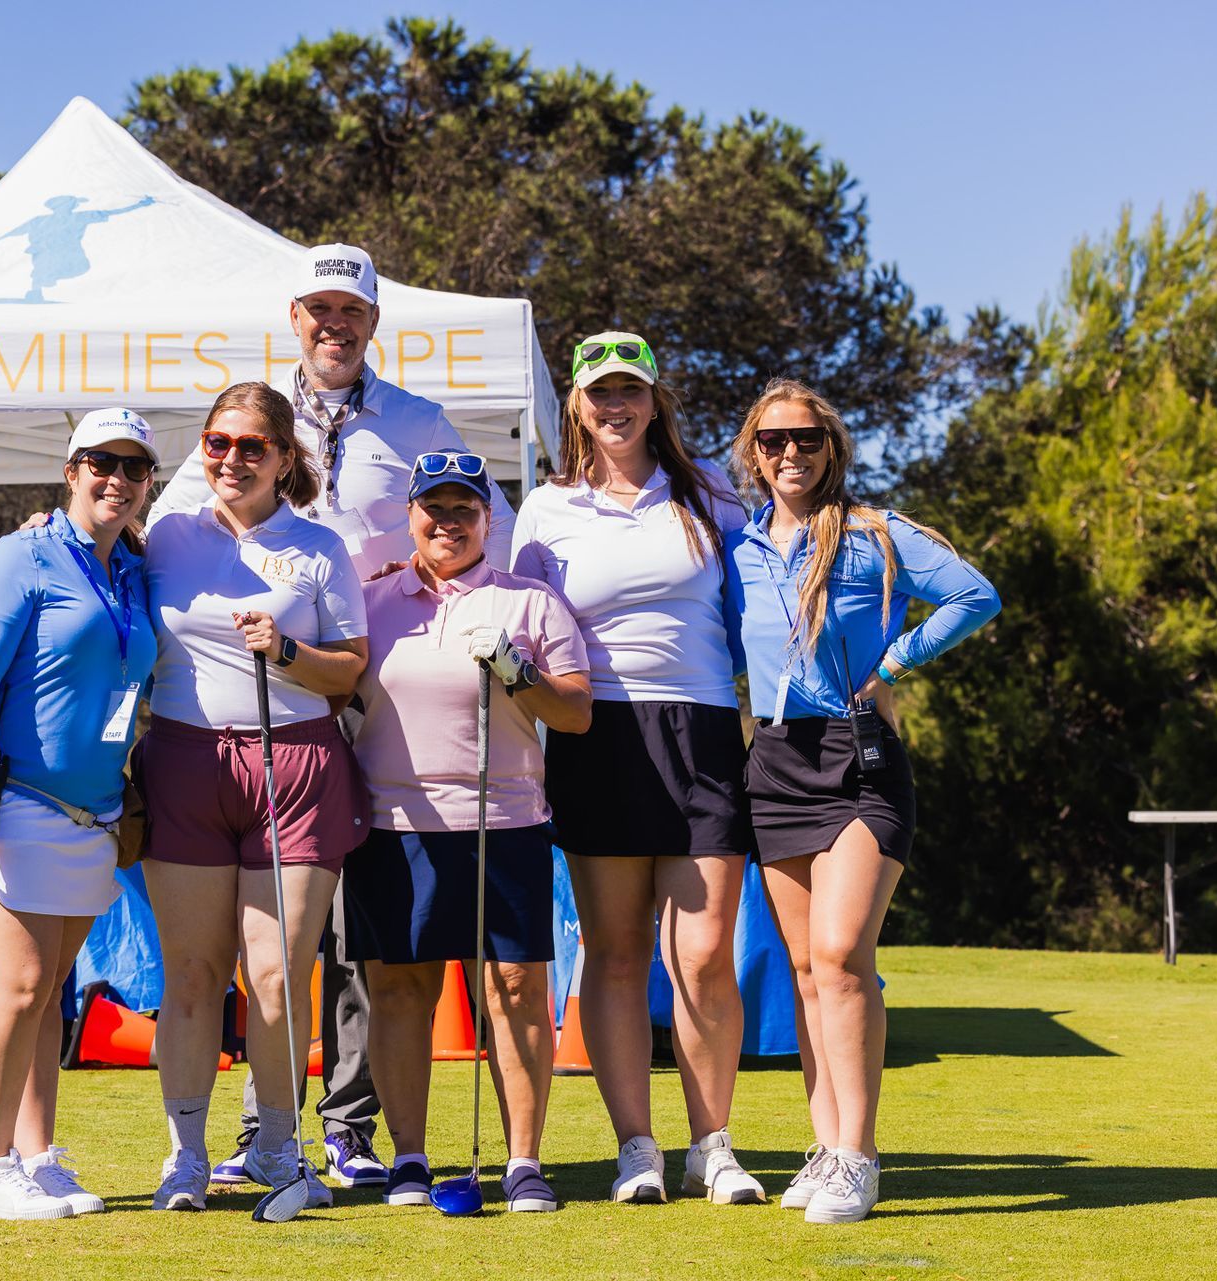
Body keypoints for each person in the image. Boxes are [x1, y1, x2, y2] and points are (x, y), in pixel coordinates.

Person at [146, 243, 516, 1189]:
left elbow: (497, 541)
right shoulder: (248, 426)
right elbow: (154, 535)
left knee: (351, 933)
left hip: (378, 687)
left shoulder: (419, 422)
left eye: (349, 311)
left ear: (374, 323)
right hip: (244, 710)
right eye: (318, 309)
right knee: (264, 954)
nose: (333, 325)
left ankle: (343, 1126)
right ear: (296, 319)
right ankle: (258, 1128)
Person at [722, 377, 1000, 1224]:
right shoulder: (738, 548)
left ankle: (860, 1153)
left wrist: (895, 664)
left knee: (843, 956)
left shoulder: (876, 534)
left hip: (858, 756)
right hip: (771, 761)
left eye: (805, 438)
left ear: (831, 446)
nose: (790, 453)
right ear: (753, 453)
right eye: (772, 441)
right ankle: (825, 1141)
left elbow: (975, 594)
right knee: (807, 971)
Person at [510, 331, 764, 1206]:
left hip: (701, 733)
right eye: (598, 392)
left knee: (700, 955)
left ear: (656, 401)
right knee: (615, 954)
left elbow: (766, 604)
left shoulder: (711, 497)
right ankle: (636, 1146)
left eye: (630, 390)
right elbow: (520, 622)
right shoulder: (545, 509)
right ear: (576, 405)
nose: (614, 405)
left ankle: (713, 1144)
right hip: (596, 737)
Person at [138, 381, 371, 1212]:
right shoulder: (166, 533)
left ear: (284, 458)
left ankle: (278, 1146)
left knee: (275, 975)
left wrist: (290, 650)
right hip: (184, 764)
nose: (231, 458)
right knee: (194, 975)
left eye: (251, 446)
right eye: (216, 442)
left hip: (295, 768)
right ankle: (187, 1157)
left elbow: (349, 672)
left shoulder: (318, 546)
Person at [344, 453, 592, 1212]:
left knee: (514, 988)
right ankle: (411, 1159)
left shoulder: (532, 602)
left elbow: (576, 713)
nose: (447, 523)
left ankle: (523, 1161)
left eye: (463, 509)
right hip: (393, 822)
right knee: (398, 987)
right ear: (411, 514)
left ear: (488, 518)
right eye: (433, 508)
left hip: (504, 818)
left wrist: (518, 671)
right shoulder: (372, 598)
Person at [0, 408, 162, 1220]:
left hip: (95, 811)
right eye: (100, 462)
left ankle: (38, 1158)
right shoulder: (19, 556)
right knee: (22, 981)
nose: (116, 478)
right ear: (70, 470)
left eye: (134, 467)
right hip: (16, 800)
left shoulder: (132, 569)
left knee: (52, 993)